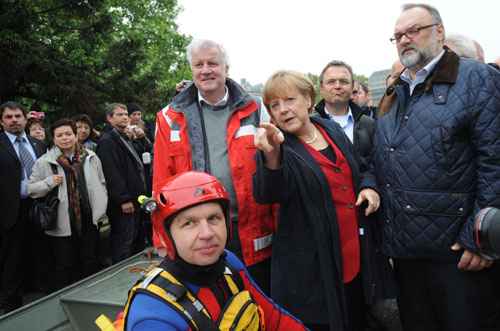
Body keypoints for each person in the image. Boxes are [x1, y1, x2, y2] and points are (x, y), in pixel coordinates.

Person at [376, 4, 500, 331]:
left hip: (458, 254)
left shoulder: (476, 78)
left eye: (413, 31)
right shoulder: (397, 88)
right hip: (406, 255)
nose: (405, 40)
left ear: (439, 32)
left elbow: (494, 158)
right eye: (398, 35)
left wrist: (482, 235)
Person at [253, 70, 382, 331]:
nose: (283, 110)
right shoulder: (276, 145)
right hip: (314, 270)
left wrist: (368, 187)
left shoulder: (330, 128)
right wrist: (272, 157)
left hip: (353, 255)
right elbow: (268, 193)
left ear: (309, 99)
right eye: (274, 105)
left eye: (289, 100)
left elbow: (360, 167)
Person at [153, 39, 275, 294]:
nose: (206, 70)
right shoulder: (168, 116)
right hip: (199, 232)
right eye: (199, 64)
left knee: (257, 300)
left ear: (226, 68)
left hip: (251, 230)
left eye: (213, 63)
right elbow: (161, 181)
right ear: (191, 70)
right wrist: (161, 238)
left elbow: (274, 167)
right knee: (213, 304)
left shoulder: (256, 107)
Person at [123, 171, 307, 331]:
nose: (207, 234)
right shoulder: (153, 317)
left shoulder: (228, 263)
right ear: (166, 235)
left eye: (213, 218)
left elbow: (275, 319)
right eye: (189, 223)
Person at [28, 119, 107, 290]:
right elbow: (32, 189)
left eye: (68, 134)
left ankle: (91, 294)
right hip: (61, 220)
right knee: (65, 264)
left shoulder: (90, 157)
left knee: (89, 259)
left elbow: (101, 182)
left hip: (88, 216)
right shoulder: (45, 161)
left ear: (75, 135)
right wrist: (49, 182)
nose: (65, 138)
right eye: (60, 135)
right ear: (54, 139)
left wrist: (101, 206)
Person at [0, 101, 46, 313]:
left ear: (25, 119)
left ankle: (38, 293)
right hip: (9, 210)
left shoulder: (37, 144)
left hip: (39, 206)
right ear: (2, 121)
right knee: (12, 258)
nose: (14, 120)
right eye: (8, 117)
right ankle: (11, 305)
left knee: (38, 251)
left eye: (18, 116)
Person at [97, 103, 147, 263]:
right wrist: (123, 199)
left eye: (126, 114)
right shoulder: (107, 140)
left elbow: (145, 154)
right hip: (123, 203)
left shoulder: (125, 136)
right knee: (123, 243)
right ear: (109, 118)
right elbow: (111, 173)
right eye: (119, 114)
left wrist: (140, 137)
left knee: (135, 239)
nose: (125, 117)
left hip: (136, 198)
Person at [315, 61, 376, 172]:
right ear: (321, 87)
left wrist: (369, 185)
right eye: (331, 82)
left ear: (352, 86)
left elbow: (376, 164)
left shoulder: (369, 124)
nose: (337, 86)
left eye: (343, 81)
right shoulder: (312, 125)